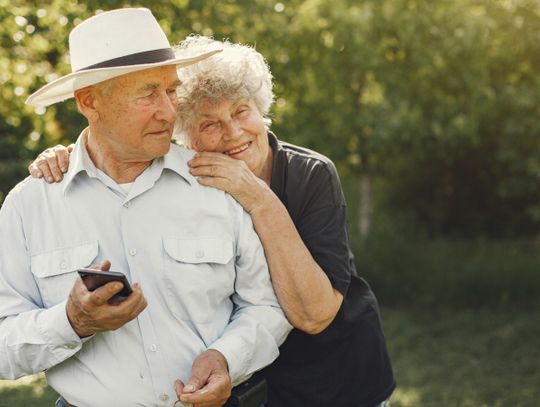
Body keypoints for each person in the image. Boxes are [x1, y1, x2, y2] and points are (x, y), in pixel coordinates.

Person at [29, 36, 396, 407]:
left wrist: (258, 197)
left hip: (338, 377)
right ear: (186, 137)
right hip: (255, 383)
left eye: (240, 112)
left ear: (261, 108)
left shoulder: (310, 175)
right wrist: (79, 154)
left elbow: (316, 315)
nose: (233, 132)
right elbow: (117, 149)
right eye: (210, 124)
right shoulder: (193, 178)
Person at [0, 9, 292, 407]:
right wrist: (72, 322)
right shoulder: (29, 206)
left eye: (171, 91)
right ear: (90, 102)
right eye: (148, 94)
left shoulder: (218, 184)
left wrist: (227, 358)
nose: (170, 112)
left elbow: (266, 305)